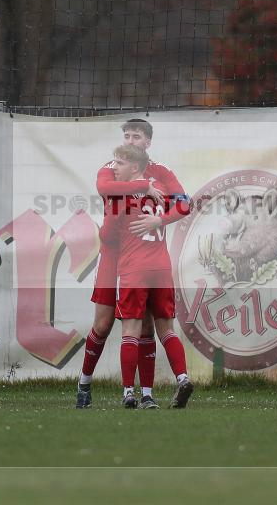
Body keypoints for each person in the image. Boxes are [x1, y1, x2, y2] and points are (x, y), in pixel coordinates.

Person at [76, 119, 188, 409]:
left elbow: (184, 203)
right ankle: (84, 383)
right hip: (114, 254)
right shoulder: (113, 166)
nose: (129, 141)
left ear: (148, 142)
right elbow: (105, 188)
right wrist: (143, 187)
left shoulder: (162, 172)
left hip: (141, 255)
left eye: (136, 136)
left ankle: (145, 395)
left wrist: (160, 218)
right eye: (126, 135)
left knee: (146, 325)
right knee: (102, 323)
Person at [107, 144, 193, 409]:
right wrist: (160, 221)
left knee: (131, 331)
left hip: (135, 269)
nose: (114, 168)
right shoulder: (159, 194)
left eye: (119, 163)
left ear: (135, 167)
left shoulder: (120, 198)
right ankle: (181, 379)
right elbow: (186, 206)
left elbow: (107, 234)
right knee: (165, 329)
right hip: (161, 269)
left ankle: (129, 392)